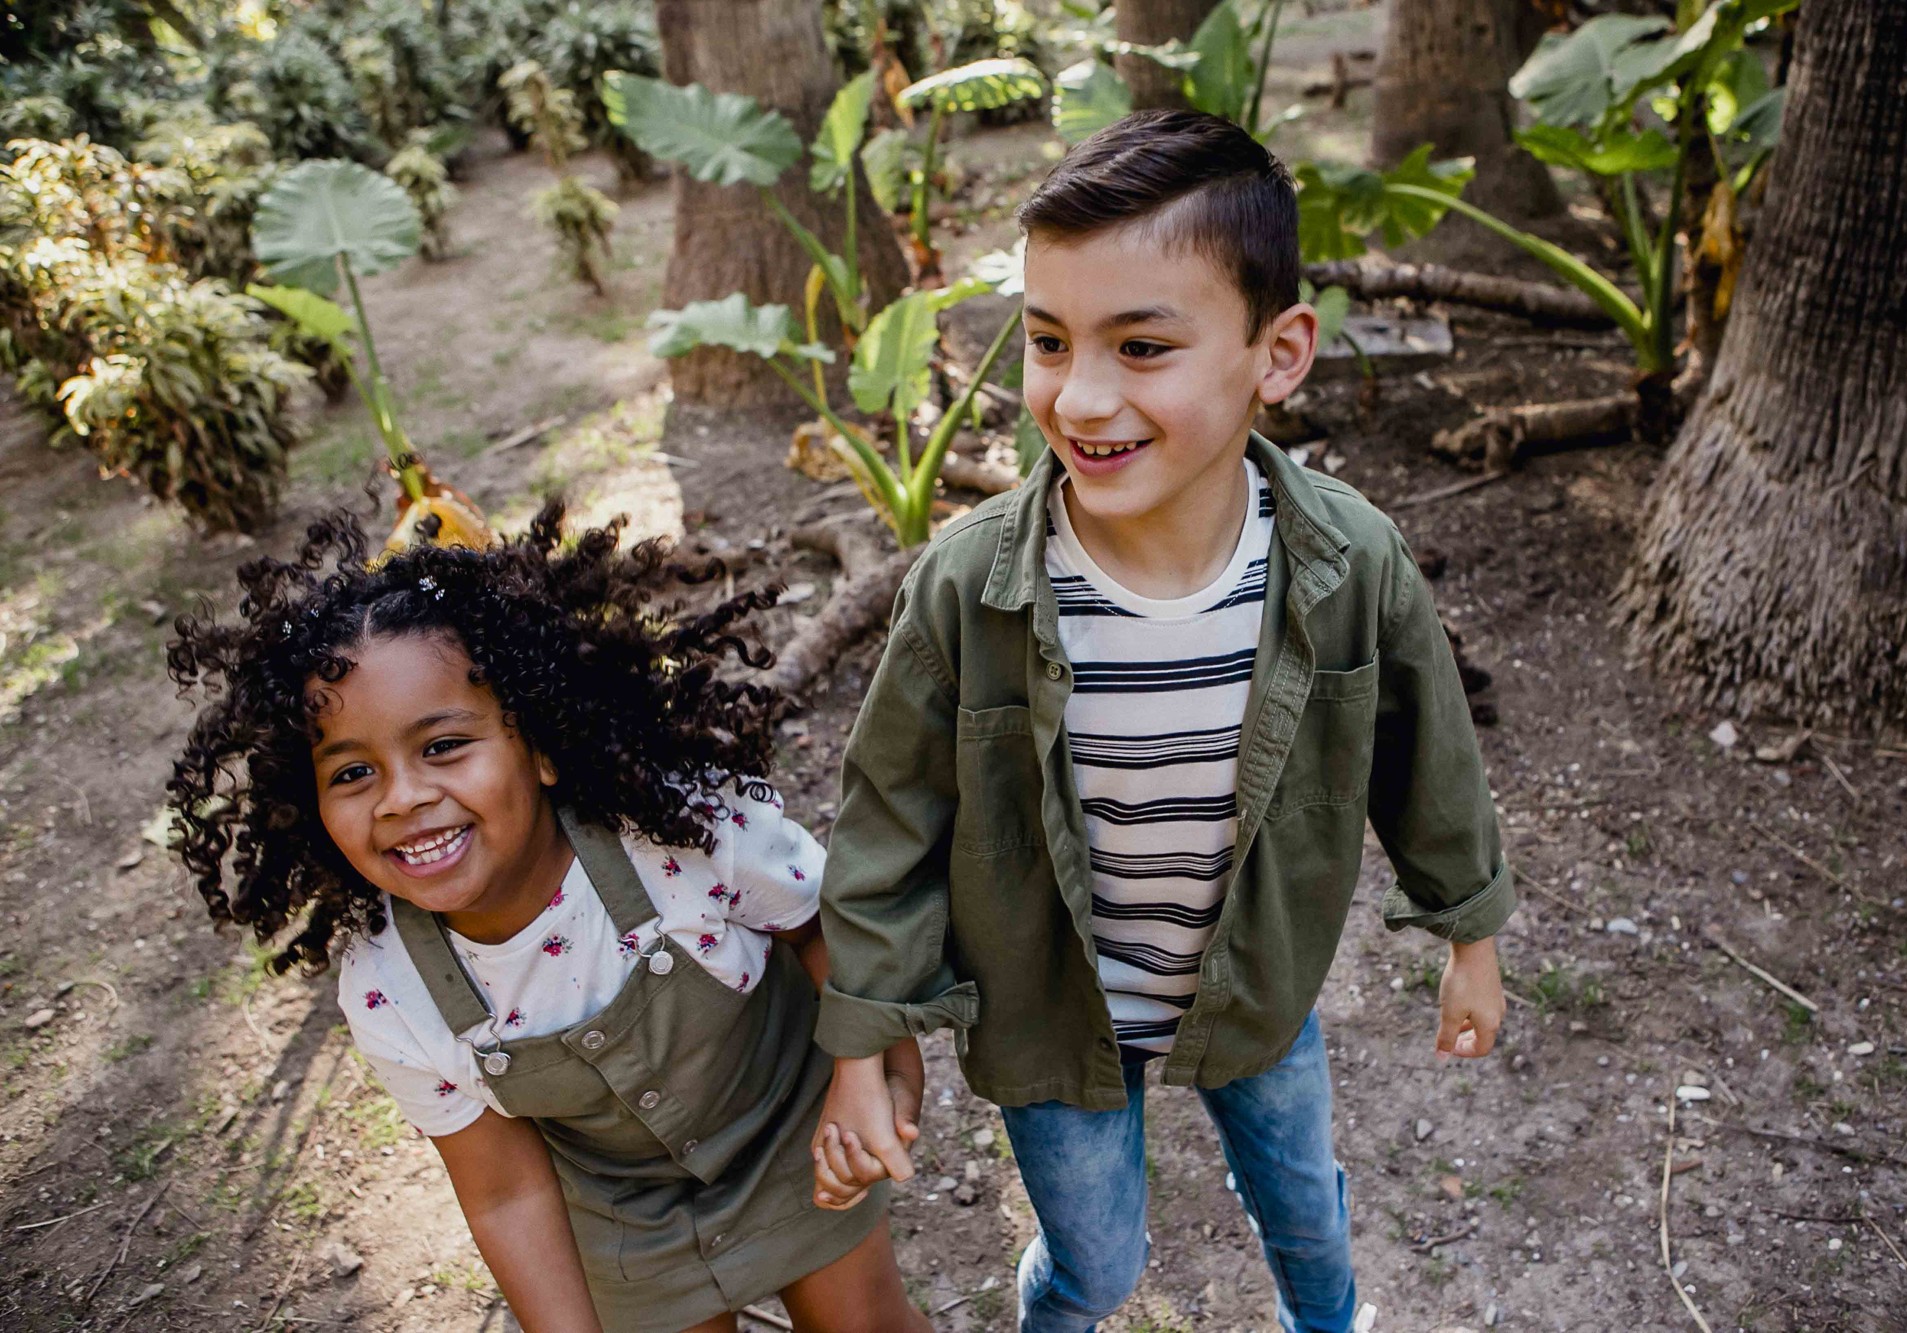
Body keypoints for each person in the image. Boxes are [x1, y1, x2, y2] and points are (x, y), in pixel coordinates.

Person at [808, 110, 1513, 1333]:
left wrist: (1471, 935)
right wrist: (859, 1047)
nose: (1079, 396)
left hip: (1256, 995)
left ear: (1277, 353)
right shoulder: (967, 588)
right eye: (1045, 340)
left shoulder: (1348, 563)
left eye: (1140, 347)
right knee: (1096, 1261)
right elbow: (885, 817)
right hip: (1052, 1013)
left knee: (1305, 1214)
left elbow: (1426, 759)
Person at [166, 505, 930, 1333]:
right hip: (618, 1208)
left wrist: (876, 1077)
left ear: (538, 741)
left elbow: (829, 926)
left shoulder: (675, 837)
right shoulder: (391, 988)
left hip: (795, 1124)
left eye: (443, 746)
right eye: (352, 771)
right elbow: (504, 1189)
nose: (403, 798)